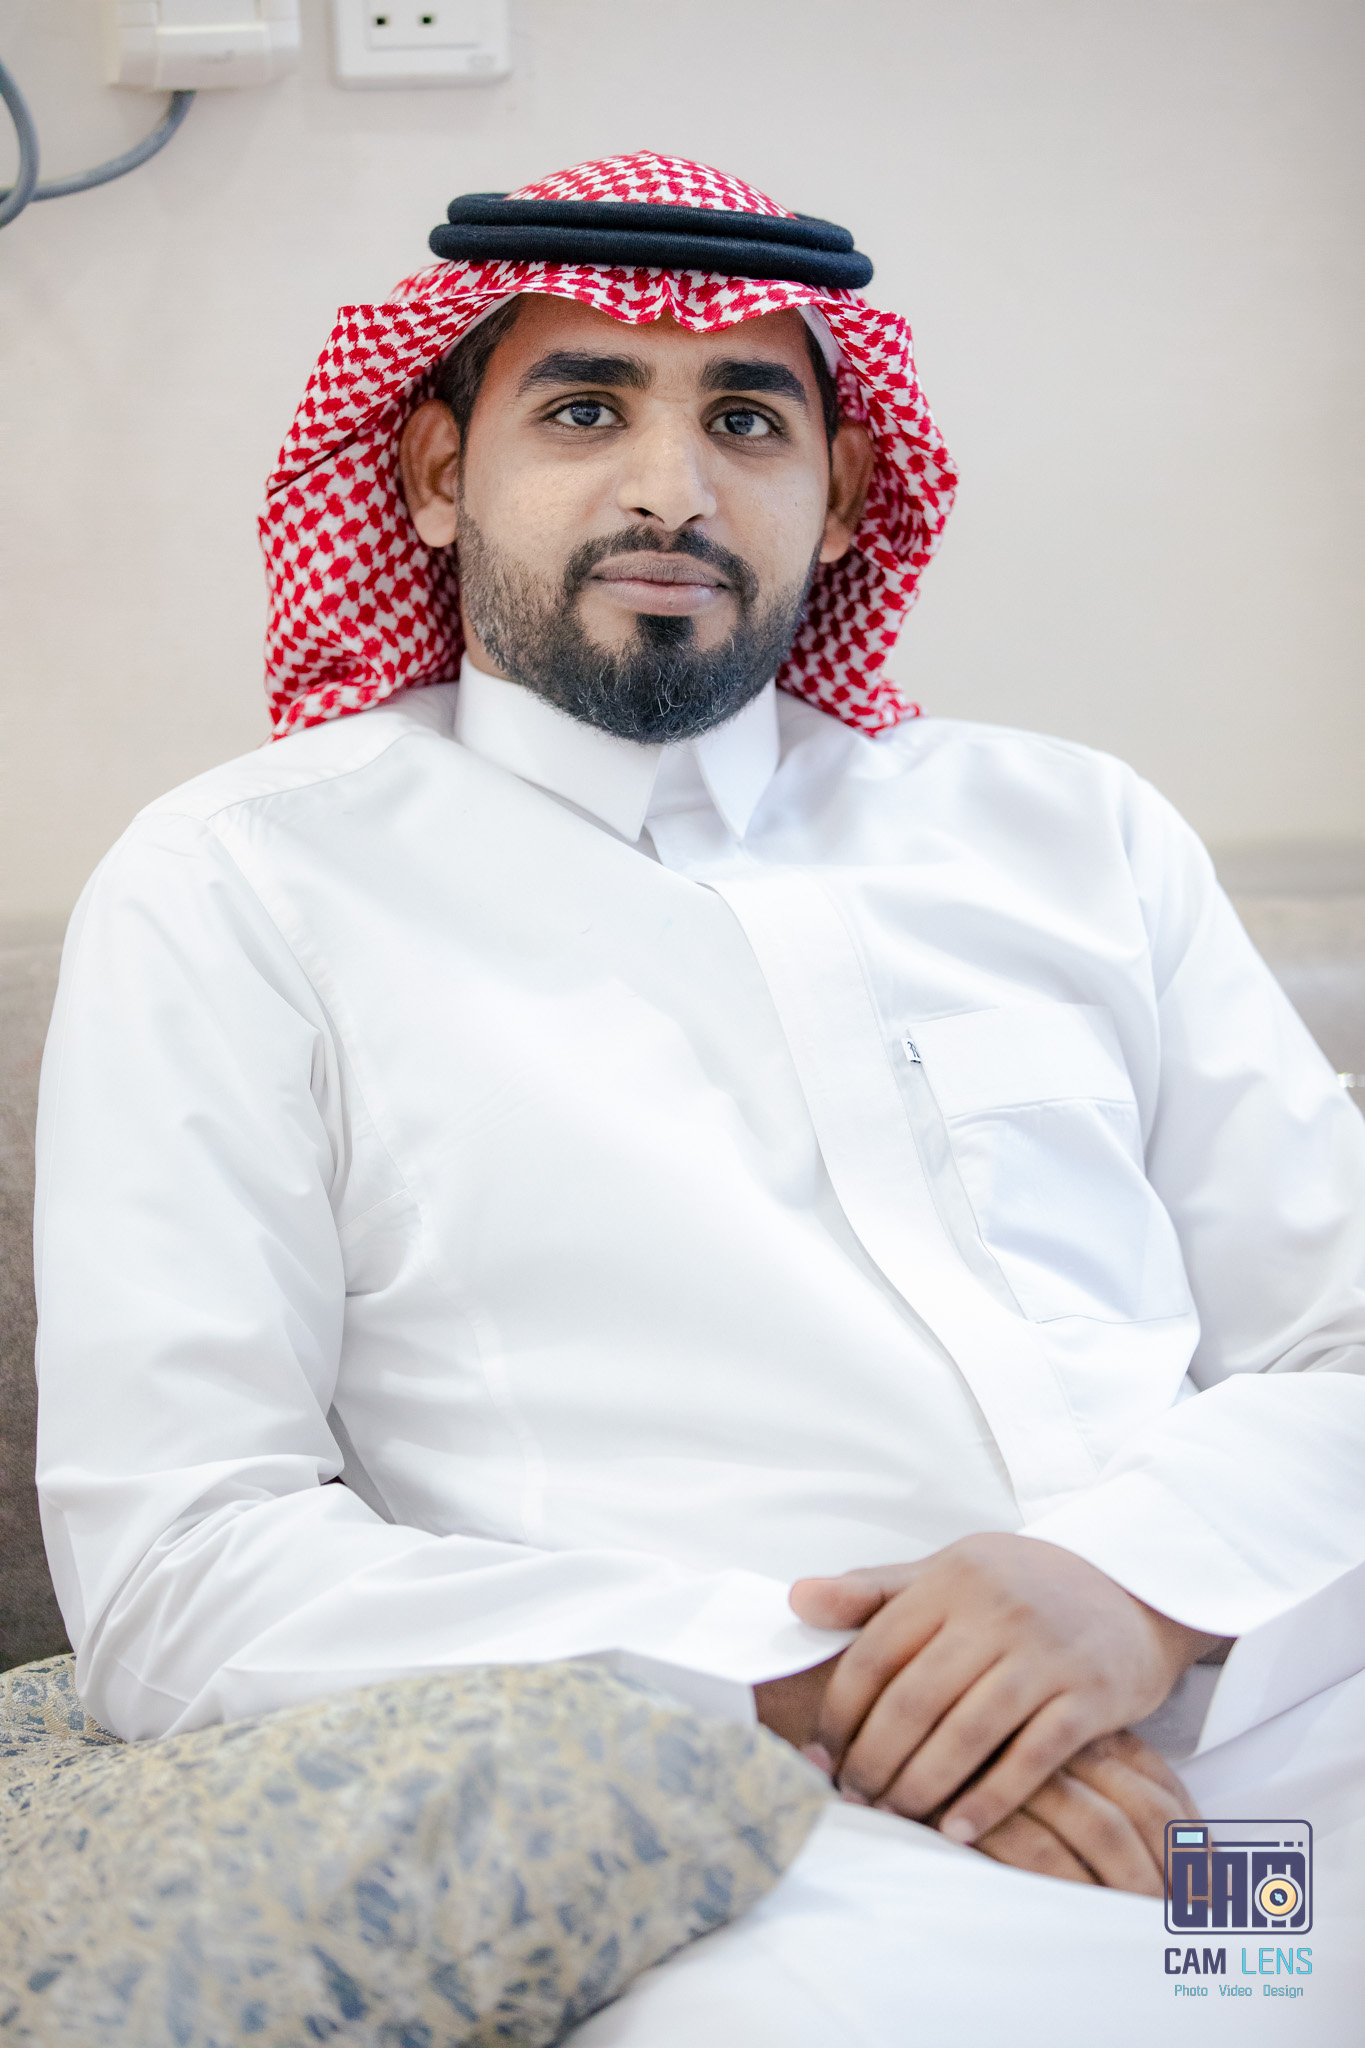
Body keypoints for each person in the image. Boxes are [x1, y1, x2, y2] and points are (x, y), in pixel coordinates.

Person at [34, 153, 1365, 2041]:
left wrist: (1132, 1590)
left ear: (846, 495)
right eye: (585, 410)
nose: (670, 486)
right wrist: (824, 1688)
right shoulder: (241, 885)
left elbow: (1339, 1336)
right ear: (433, 474)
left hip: (1275, 1709)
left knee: (1284, 1974)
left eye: (746, 419)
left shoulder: (1073, 831)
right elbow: (180, 1569)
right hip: (758, 1808)